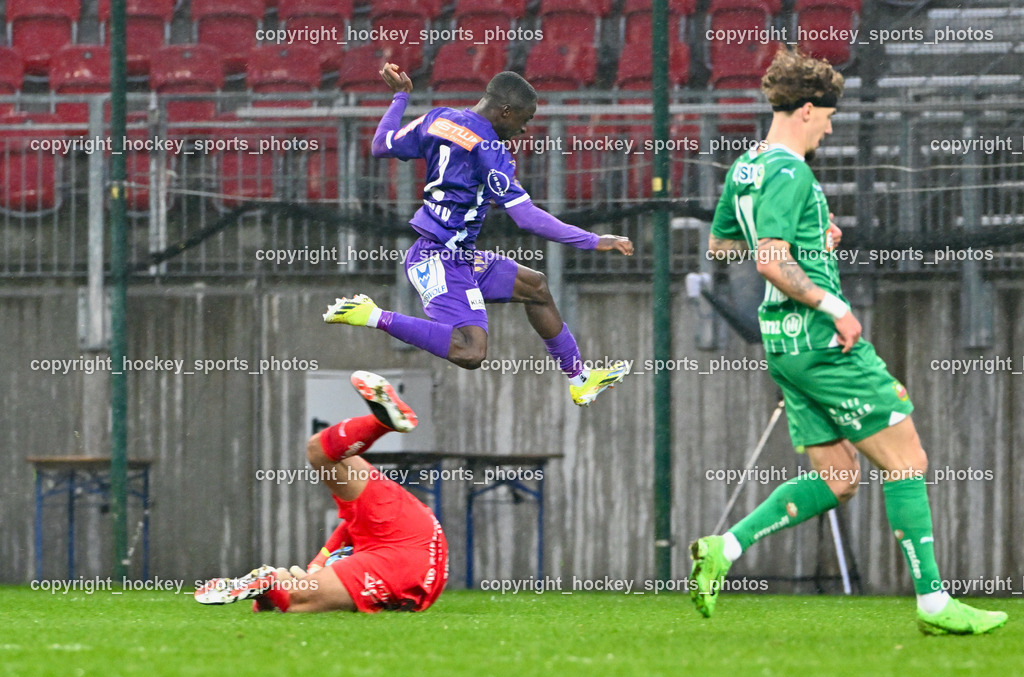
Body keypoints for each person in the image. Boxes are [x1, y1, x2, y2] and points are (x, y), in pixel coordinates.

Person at [691, 47, 1007, 635]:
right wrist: (836, 306)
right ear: (808, 109)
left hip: (781, 344)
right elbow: (767, 257)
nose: (832, 127)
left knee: (838, 478)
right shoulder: (789, 169)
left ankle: (725, 549)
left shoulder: (747, 166)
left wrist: (812, 242)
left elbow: (723, 248)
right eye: (830, 116)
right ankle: (935, 602)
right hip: (819, 339)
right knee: (907, 458)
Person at [323, 64, 632, 406]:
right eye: (523, 120)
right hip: (437, 258)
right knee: (470, 351)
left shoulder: (438, 119)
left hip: (461, 256)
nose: (524, 130)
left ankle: (581, 380)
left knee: (537, 288)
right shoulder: (490, 150)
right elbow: (527, 218)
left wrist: (401, 97)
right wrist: (593, 240)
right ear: (505, 112)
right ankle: (371, 314)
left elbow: (381, 144)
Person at [195, 371, 448, 613]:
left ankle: (269, 582)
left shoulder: (367, 559)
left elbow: (295, 595)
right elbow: (350, 529)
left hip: (407, 557)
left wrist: (306, 571)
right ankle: (382, 422)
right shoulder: (362, 544)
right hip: (410, 528)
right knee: (319, 451)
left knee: (294, 602)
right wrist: (313, 566)